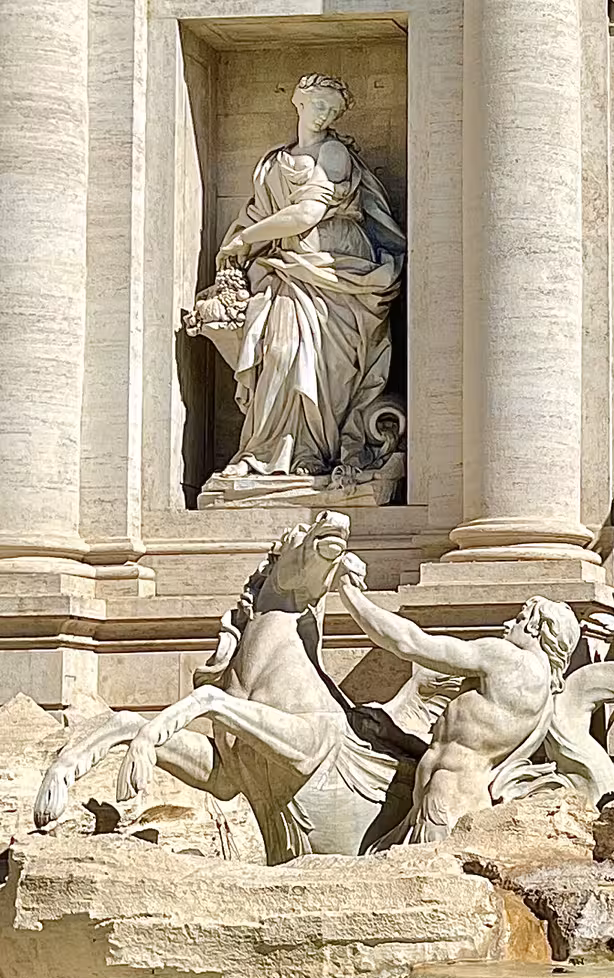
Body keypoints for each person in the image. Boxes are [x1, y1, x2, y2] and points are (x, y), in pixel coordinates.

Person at [191, 73, 405, 485]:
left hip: (336, 271)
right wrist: (238, 247)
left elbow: (306, 214)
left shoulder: (335, 154)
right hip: (286, 267)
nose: (324, 114)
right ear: (297, 101)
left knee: (312, 358)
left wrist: (243, 240)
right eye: (318, 103)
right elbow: (258, 212)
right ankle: (264, 452)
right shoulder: (274, 163)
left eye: (333, 109)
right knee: (281, 350)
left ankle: (312, 453)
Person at [332, 559, 580, 843]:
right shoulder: (546, 698)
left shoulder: (508, 659)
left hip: (445, 804)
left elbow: (410, 642)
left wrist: (349, 594)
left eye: (521, 618)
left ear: (538, 628)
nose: (508, 623)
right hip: (457, 802)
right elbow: (469, 744)